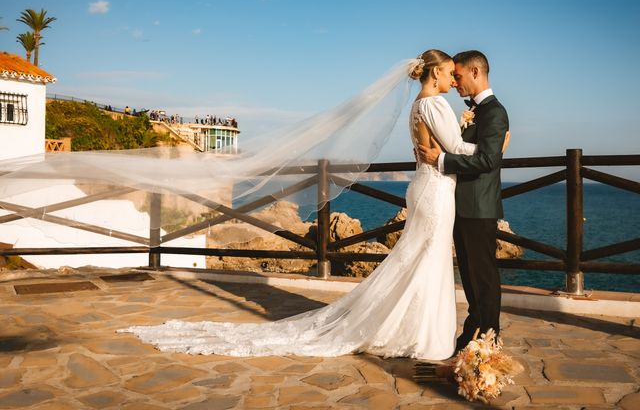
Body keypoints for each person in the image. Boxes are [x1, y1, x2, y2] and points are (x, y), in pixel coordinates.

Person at [120, 50, 500, 360]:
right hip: (436, 191)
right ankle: (424, 335)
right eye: (451, 74)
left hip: (425, 188)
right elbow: (457, 150)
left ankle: (411, 326)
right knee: (427, 259)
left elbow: (443, 148)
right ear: (434, 74)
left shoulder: (419, 105)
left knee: (417, 258)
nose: (455, 81)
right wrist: (492, 148)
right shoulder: (435, 106)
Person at [420, 50, 509, 352]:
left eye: (457, 76)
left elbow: (486, 160)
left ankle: (490, 338)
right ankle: (473, 330)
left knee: (483, 274)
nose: (455, 83)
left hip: (479, 206)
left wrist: (442, 160)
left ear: (475, 72)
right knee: (470, 276)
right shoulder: (474, 111)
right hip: (460, 204)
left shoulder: (495, 112)